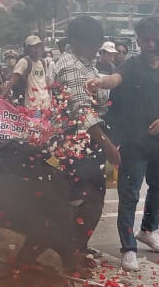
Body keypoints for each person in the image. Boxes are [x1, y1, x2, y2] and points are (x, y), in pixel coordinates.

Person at [87, 16, 159, 272]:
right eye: (145, 39)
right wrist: (100, 82)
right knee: (130, 195)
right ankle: (128, 248)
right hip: (133, 143)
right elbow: (115, 79)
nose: (150, 44)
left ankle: (148, 230)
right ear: (139, 41)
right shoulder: (131, 65)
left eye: (154, 39)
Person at [50, 16, 119, 268]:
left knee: (86, 195)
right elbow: (82, 112)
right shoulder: (71, 66)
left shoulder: (85, 64)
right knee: (90, 196)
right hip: (74, 141)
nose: (94, 49)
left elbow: (100, 93)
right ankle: (73, 250)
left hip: (86, 140)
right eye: (91, 44)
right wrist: (108, 146)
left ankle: (75, 245)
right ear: (76, 41)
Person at [3, 35, 52, 111]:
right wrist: (3, 94)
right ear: (28, 49)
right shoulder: (24, 62)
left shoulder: (43, 62)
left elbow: (46, 81)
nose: (37, 50)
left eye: (38, 46)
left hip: (46, 105)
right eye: (33, 47)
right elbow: (13, 79)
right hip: (32, 106)